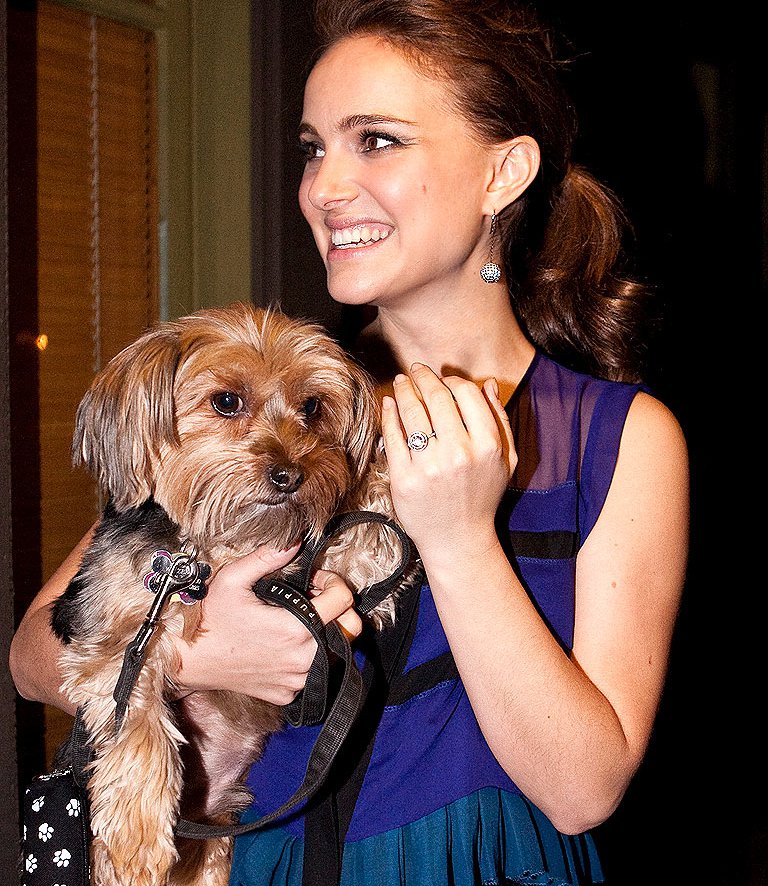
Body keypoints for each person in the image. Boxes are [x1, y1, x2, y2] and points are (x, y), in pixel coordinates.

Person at [10, 1, 689, 884]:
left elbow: (582, 791)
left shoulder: (614, 437)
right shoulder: (265, 407)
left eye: (376, 141)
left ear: (504, 171)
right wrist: (196, 648)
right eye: (312, 147)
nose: (325, 186)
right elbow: (32, 652)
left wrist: (457, 538)